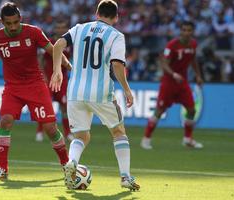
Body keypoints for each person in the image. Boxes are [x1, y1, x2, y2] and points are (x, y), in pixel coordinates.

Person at [0, 2, 71, 180]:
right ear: (1, 21)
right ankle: (2, 169)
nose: (13, 27)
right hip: (12, 88)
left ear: (20, 18)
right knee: (5, 121)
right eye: (8, 23)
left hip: (36, 85)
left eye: (15, 22)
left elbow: (53, 50)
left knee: (50, 129)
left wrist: (66, 65)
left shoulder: (34, 32)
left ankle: (66, 165)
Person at [50, 0, 140, 191]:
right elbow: (117, 64)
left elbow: (58, 45)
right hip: (101, 92)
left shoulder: (80, 28)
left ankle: (72, 161)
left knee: (81, 135)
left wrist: (57, 70)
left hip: (75, 92)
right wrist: (126, 89)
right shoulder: (116, 36)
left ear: (97, 14)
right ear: (116, 17)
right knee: (118, 132)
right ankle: (125, 177)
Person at [141, 21, 204, 150]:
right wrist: (173, 74)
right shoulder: (172, 45)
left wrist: (198, 75)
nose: (186, 32)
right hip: (169, 83)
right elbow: (164, 63)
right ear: (180, 31)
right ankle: (146, 139)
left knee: (192, 110)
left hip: (183, 83)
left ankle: (187, 139)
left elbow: (193, 60)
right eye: (184, 30)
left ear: (192, 32)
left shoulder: (193, 44)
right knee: (160, 111)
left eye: (189, 30)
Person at [35, 21, 73, 142]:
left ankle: (68, 133)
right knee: (45, 106)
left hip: (63, 81)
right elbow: (40, 59)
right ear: (55, 29)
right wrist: (43, 76)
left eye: (63, 27)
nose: (61, 29)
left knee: (64, 107)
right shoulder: (49, 43)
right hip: (48, 79)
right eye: (58, 27)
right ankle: (40, 131)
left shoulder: (70, 45)